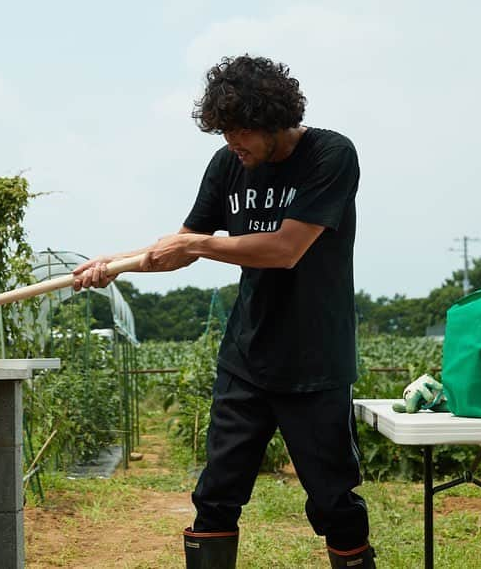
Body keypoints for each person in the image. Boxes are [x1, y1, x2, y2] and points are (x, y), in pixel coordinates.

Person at [72, 55, 374, 569]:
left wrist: (203, 244)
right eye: (224, 132)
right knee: (215, 496)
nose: (232, 143)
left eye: (240, 132)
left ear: (274, 122)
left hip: (315, 363)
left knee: (333, 501)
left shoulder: (331, 155)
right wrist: (116, 264)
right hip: (246, 359)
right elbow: (179, 249)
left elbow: (285, 249)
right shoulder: (227, 165)